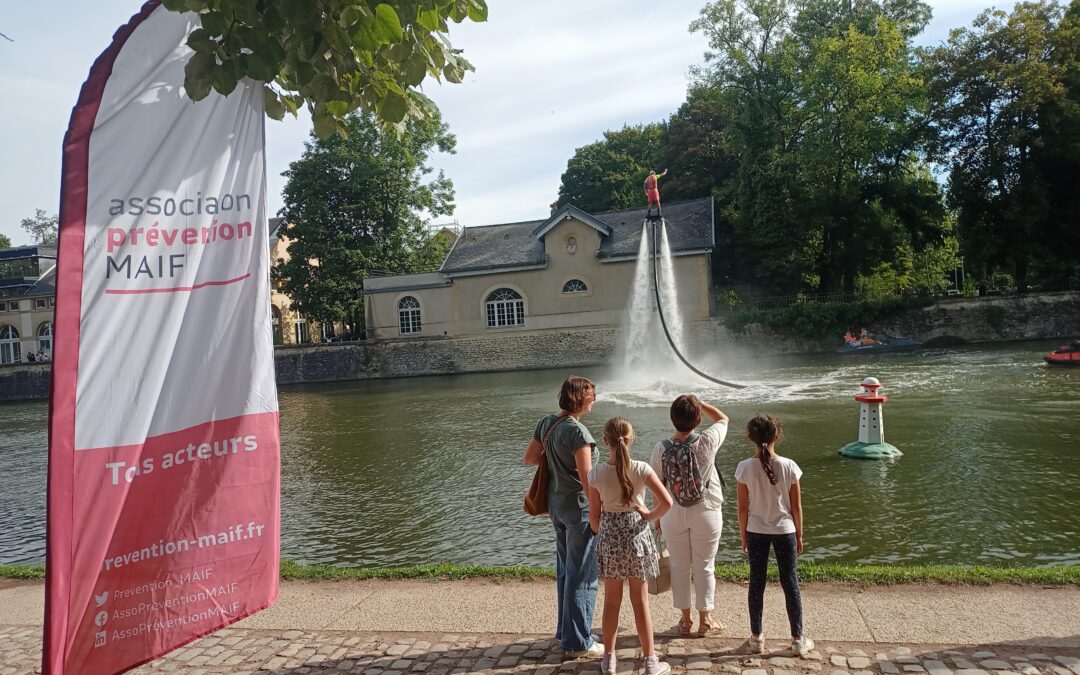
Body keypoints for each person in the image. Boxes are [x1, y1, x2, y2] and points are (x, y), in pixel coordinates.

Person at [588, 418, 674, 675]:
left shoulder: (596, 473)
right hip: (637, 538)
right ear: (631, 439)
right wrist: (648, 515)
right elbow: (667, 502)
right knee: (640, 602)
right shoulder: (642, 469)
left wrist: (603, 531)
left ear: (605, 441)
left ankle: (609, 659)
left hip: (611, 540)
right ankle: (650, 661)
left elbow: (594, 519)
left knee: (611, 602)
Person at [524, 375, 601, 657]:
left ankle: (565, 631)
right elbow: (587, 479)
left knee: (566, 571)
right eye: (591, 394)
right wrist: (598, 514)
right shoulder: (578, 433)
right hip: (578, 509)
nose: (595, 399)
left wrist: (555, 458)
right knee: (582, 575)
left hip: (556, 506)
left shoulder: (547, 422)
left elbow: (530, 458)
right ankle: (578, 641)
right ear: (580, 398)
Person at [649, 395, 729, 636]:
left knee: (679, 566)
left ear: (672, 418)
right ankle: (706, 620)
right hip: (706, 510)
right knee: (705, 565)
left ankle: (685, 621)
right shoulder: (708, 441)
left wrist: (658, 517)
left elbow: (655, 485)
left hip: (672, 512)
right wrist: (701, 404)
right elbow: (723, 419)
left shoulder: (661, 448)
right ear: (697, 419)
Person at [735, 414, 814, 657]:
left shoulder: (744, 467)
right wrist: (799, 534)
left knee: (756, 582)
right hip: (785, 530)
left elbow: (742, 508)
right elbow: (796, 507)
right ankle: (797, 638)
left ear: (750, 437)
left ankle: (757, 637)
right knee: (790, 582)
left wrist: (743, 535)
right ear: (777, 436)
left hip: (756, 530)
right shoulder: (790, 466)